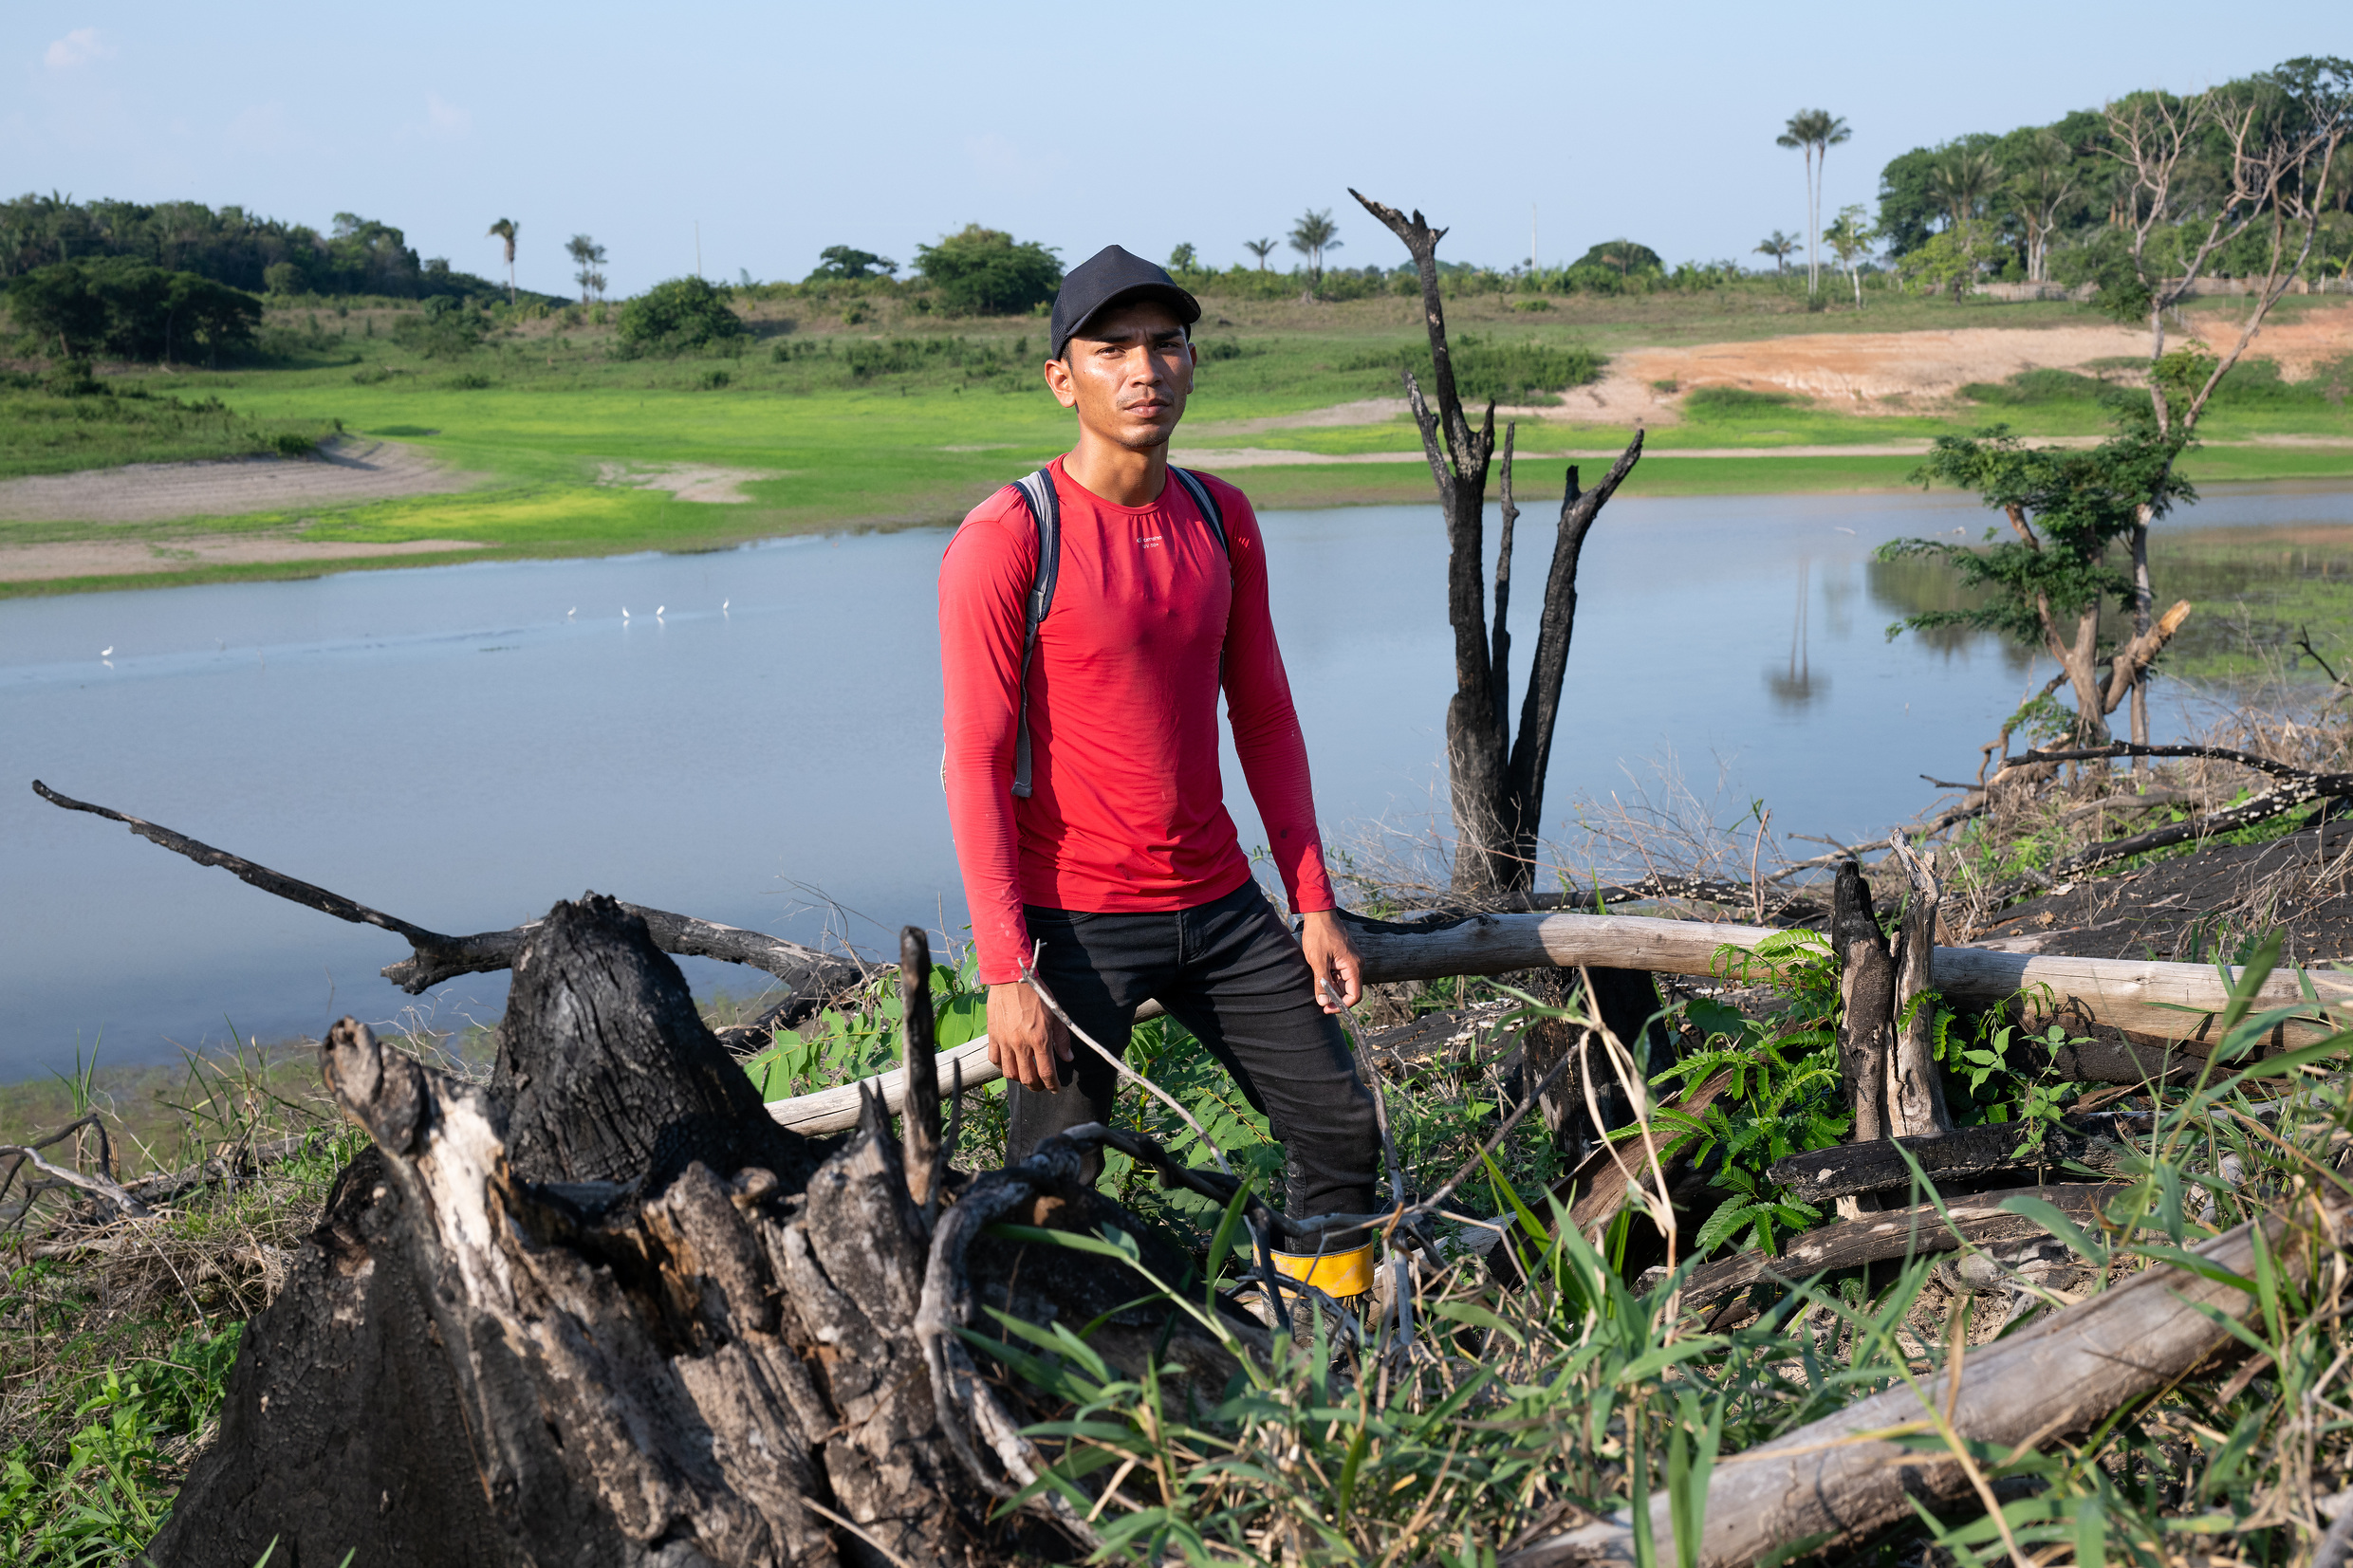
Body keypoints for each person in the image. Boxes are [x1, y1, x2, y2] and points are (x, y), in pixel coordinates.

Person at [937, 245, 1382, 1304]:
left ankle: (1319, 1353)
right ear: (1063, 377)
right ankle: (1065, 1418)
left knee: (1336, 1126)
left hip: (1222, 908)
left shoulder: (1219, 517)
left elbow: (1264, 715)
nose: (1144, 369)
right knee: (1054, 1195)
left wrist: (1310, 899)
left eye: (1165, 345)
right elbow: (973, 764)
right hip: (1075, 920)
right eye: (1113, 350)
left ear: (1189, 364)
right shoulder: (1007, 538)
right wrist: (1006, 972)